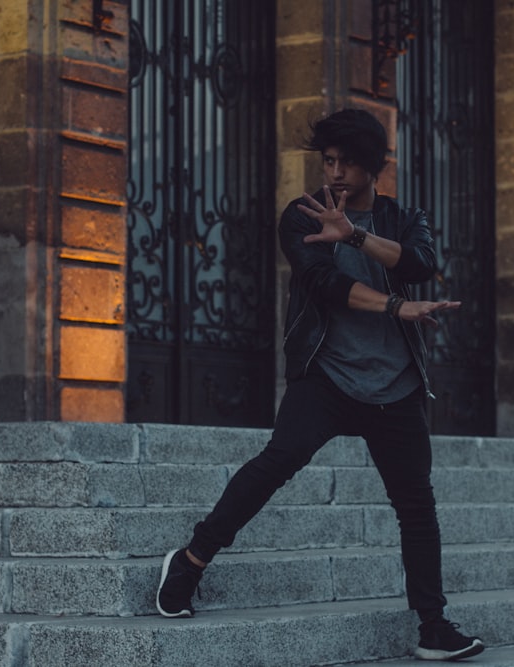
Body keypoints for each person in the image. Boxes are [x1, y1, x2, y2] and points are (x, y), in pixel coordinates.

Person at [156, 108, 485, 662]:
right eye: (328, 161)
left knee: (415, 504)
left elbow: (421, 264)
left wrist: (356, 235)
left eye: (347, 163)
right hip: (326, 375)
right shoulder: (302, 215)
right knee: (276, 463)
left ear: (373, 166)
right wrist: (397, 306)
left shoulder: (404, 219)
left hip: (396, 387)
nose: (334, 173)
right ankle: (191, 560)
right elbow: (323, 283)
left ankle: (433, 626)